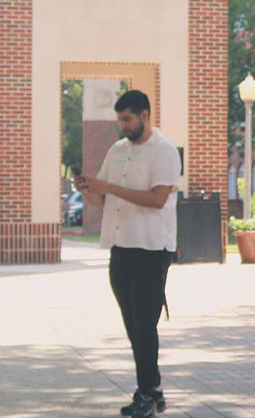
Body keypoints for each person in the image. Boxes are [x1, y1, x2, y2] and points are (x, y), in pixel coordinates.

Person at [76, 90, 181, 418]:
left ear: (145, 115)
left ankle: (147, 394)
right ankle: (154, 389)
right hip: (120, 247)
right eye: (120, 120)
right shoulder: (117, 150)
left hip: (152, 249)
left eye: (128, 119)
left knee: (145, 325)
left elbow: (158, 199)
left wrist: (108, 188)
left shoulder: (163, 151)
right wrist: (90, 190)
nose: (123, 126)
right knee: (133, 325)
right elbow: (103, 200)